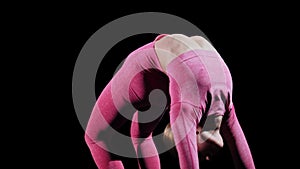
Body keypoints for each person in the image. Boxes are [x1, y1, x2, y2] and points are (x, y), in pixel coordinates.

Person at [84, 33, 256, 169]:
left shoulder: (194, 107)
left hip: (153, 72)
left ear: (194, 130)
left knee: (99, 137)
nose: (208, 158)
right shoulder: (223, 106)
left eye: (201, 155)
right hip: (157, 73)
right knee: (133, 136)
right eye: (202, 156)